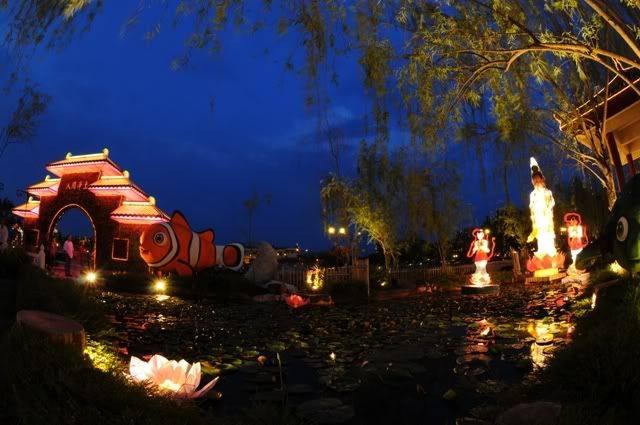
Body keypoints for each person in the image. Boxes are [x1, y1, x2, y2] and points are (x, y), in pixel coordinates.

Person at [527, 158, 557, 258]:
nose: (536, 181)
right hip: (538, 218)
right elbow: (531, 207)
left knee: (548, 235)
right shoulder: (532, 194)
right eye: (534, 179)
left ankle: (551, 254)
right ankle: (542, 254)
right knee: (540, 237)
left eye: (538, 178)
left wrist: (547, 210)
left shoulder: (547, 192)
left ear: (542, 179)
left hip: (546, 217)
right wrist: (534, 220)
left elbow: (552, 203)